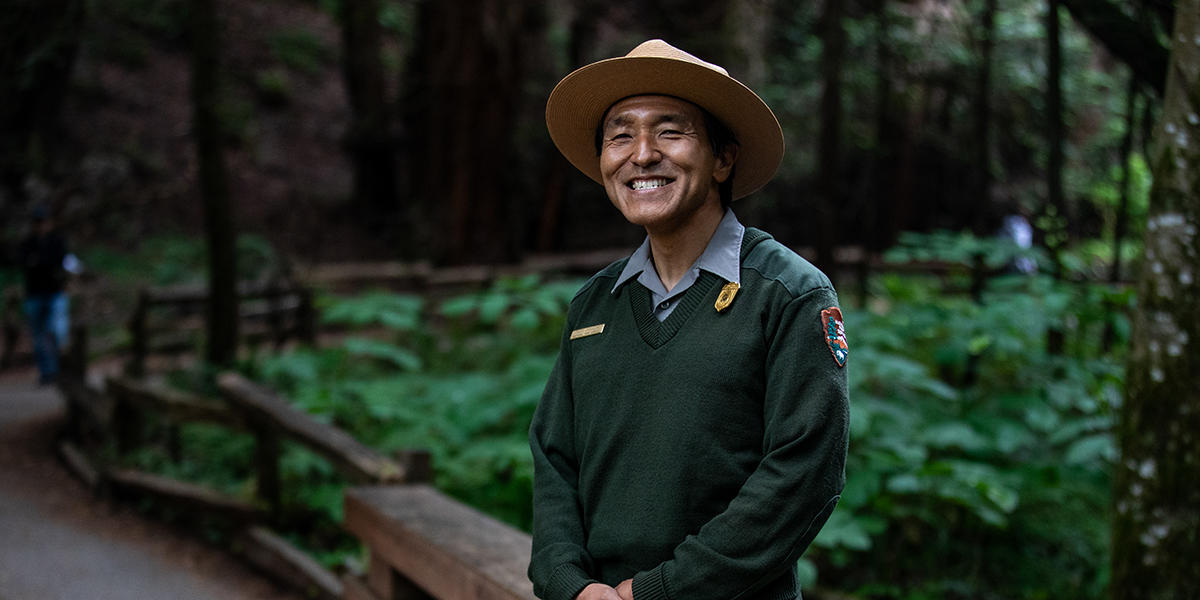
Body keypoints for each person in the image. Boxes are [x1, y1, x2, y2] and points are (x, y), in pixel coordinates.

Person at [529, 40, 850, 600]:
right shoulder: (593, 306)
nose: (643, 154)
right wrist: (569, 585)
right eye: (620, 135)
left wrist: (659, 591)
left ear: (723, 158)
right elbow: (555, 459)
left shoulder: (788, 294)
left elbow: (802, 474)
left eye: (670, 132)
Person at [18, 204, 73, 384]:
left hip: (55, 293)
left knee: (55, 331)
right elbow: (24, 263)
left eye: (44, 221)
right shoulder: (28, 243)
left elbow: (62, 262)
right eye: (38, 222)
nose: (41, 225)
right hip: (34, 295)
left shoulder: (57, 241)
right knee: (39, 336)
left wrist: (40, 263)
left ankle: (60, 369)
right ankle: (47, 372)